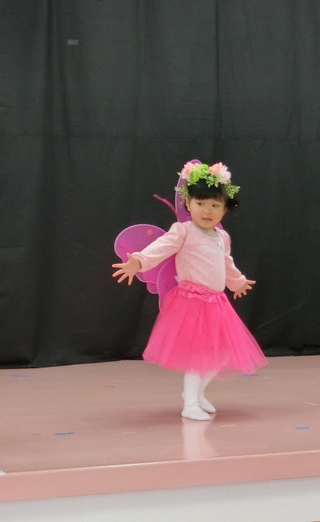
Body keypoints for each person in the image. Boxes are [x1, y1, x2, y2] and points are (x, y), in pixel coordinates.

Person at [112, 160, 267, 421]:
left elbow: (226, 263)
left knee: (220, 355)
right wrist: (138, 261)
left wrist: (238, 281)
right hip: (192, 302)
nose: (207, 211)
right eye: (200, 203)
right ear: (188, 204)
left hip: (216, 303)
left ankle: (195, 394)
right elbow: (160, 248)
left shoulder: (222, 237)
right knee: (199, 356)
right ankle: (190, 403)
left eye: (215, 205)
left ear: (225, 209)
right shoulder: (183, 231)